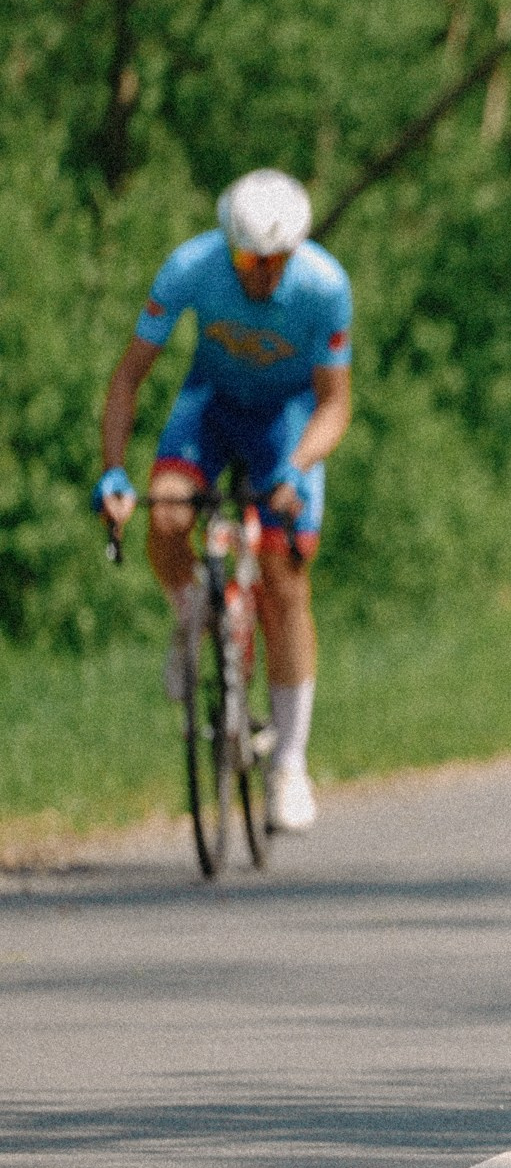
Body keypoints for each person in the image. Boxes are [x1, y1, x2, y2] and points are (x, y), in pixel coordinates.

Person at [93, 169, 354, 833]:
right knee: (169, 514)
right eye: (245, 258)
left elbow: (334, 403)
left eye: (273, 262)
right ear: (227, 243)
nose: (259, 274)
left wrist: (298, 469)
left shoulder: (325, 288)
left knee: (284, 579)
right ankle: (191, 618)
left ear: (294, 252)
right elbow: (128, 378)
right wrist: (115, 473)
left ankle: (289, 764)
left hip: (285, 428)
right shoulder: (189, 267)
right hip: (209, 409)